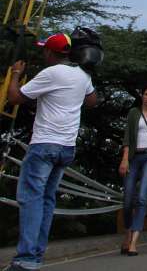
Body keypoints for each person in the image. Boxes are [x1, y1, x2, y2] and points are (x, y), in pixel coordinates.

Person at [4, 33, 97, 271]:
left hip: (44, 145)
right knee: (46, 200)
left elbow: (14, 98)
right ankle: (35, 256)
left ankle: (25, 259)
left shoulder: (50, 73)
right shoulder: (82, 75)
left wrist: (15, 74)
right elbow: (92, 101)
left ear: (51, 53)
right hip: (66, 148)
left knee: (31, 199)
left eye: (45, 50)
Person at [119, 85, 147, 256]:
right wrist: (124, 159)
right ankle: (127, 232)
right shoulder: (133, 113)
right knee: (127, 199)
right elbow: (127, 137)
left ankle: (133, 242)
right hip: (133, 157)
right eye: (145, 93)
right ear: (142, 95)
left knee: (142, 197)